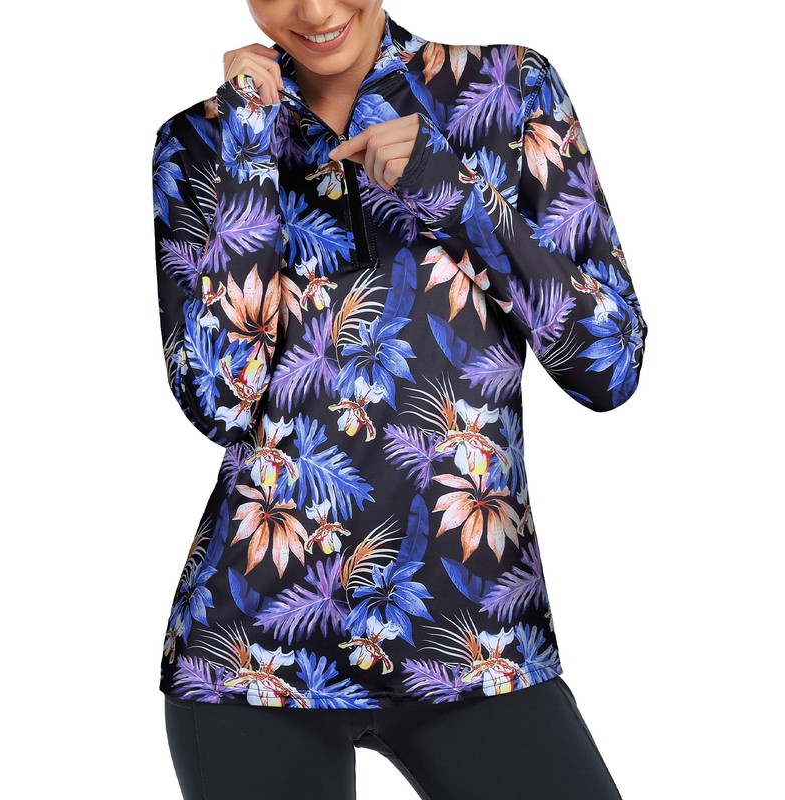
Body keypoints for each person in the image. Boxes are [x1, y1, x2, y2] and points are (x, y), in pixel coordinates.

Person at [151, 1, 647, 797]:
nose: (315, 9)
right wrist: (249, 150)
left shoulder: (507, 90)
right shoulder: (201, 139)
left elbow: (610, 366)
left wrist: (454, 193)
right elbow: (219, 401)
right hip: (248, 658)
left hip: (479, 639)